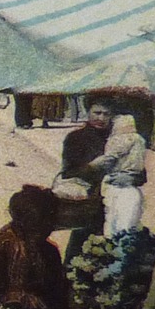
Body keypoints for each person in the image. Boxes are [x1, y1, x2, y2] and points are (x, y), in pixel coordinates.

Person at [55, 99, 115, 259]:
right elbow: (68, 172)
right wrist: (92, 168)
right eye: (97, 113)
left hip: (114, 201)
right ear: (88, 112)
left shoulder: (118, 141)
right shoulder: (75, 138)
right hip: (87, 203)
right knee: (79, 252)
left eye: (106, 114)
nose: (101, 118)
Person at [98, 114, 147, 236]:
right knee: (127, 227)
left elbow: (108, 160)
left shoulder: (118, 140)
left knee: (113, 226)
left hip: (116, 185)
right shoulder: (139, 140)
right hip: (130, 185)